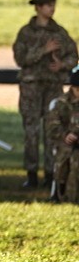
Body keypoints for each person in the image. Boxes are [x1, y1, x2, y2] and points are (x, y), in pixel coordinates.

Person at [13, 0, 77, 189]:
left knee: (53, 130)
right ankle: (31, 174)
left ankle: (52, 174)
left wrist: (62, 65)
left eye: (53, 5)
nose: (52, 9)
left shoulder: (60, 33)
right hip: (31, 87)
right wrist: (43, 50)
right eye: (48, 5)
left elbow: (73, 56)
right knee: (31, 131)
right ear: (38, 8)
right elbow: (20, 59)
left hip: (53, 87)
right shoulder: (26, 33)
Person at [46, 69, 79, 203]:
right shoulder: (62, 103)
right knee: (72, 161)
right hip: (67, 145)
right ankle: (68, 197)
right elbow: (52, 126)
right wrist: (66, 135)